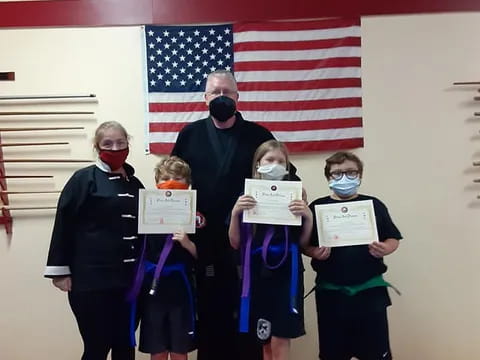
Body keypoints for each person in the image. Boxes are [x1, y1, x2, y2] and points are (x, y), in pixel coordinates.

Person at [171, 70, 298, 360]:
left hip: (249, 242)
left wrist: (297, 198)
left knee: (248, 314)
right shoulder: (189, 135)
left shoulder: (259, 135)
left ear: (238, 97)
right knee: (210, 312)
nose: (221, 97)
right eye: (215, 92)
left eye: (227, 92)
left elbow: (285, 179)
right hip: (204, 241)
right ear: (205, 98)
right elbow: (174, 181)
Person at [44, 121, 143, 360]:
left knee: (125, 345)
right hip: (91, 282)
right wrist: (60, 271)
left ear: (128, 144)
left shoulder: (136, 184)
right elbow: (63, 224)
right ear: (97, 146)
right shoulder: (83, 179)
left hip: (130, 281)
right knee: (97, 346)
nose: (115, 147)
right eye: (108, 143)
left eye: (120, 142)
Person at [303, 151, 402, 360]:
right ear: (328, 178)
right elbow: (304, 244)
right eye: (337, 173)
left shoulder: (374, 205)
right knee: (333, 353)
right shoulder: (317, 208)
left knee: (376, 353)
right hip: (331, 295)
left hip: (370, 293)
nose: (344, 178)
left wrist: (386, 248)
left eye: (350, 172)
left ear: (360, 175)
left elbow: (393, 238)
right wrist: (315, 252)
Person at [228, 140, 312, 360]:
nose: (275, 165)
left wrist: (308, 216)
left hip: (287, 272)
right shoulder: (246, 195)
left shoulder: (295, 194)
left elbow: (304, 242)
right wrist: (236, 213)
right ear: (258, 164)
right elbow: (235, 242)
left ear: (287, 166)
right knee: (263, 337)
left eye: (280, 161)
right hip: (257, 273)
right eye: (269, 160)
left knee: (281, 337)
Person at [134, 156, 197, 360]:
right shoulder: (146, 211)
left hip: (180, 287)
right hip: (153, 287)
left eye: (178, 178)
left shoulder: (194, 215)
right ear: (157, 183)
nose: (171, 181)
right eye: (166, 178)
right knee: (157, 349)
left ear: (187, 185)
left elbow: (202, 255)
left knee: (180, 350)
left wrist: (187, 243)